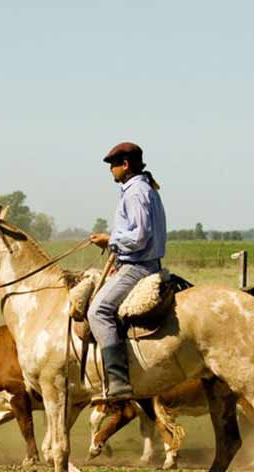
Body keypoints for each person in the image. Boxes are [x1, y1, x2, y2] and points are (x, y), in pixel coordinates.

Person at [88, 142, 167, 402]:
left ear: (125, 165)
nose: (110, 170)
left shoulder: (135, 192)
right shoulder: (144, 189)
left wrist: (109, 241)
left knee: (97, 311)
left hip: (137, 267)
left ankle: (119, 381)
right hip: (141, 263)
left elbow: (140, 237)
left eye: (113, 165)